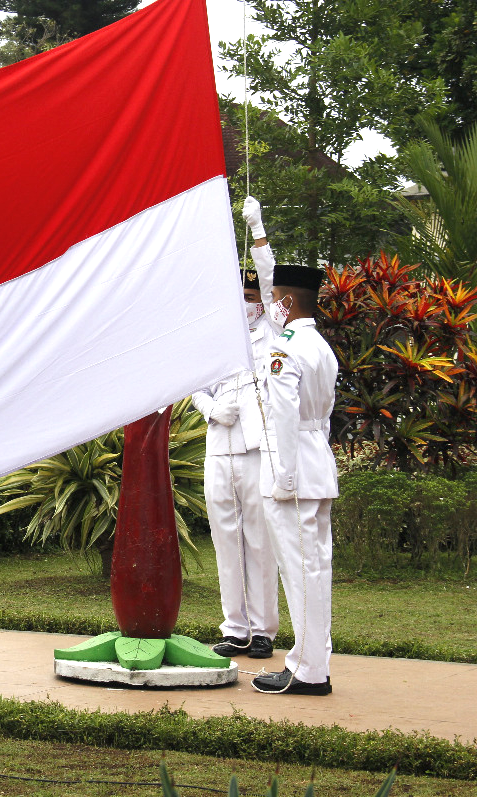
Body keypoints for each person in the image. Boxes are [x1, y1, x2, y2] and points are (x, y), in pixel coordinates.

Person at [192, 196, 282, 660]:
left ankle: (264, 628)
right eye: (241, 299)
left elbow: (270, 283)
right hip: (218, 447)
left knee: (259, 538)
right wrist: (209, 409)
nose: (247, 305)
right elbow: (193, 384)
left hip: (255, 449)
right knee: (225, 538)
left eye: (251, 300)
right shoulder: (216, 338)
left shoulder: (273, 331)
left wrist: (258, 230)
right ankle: (235, 627)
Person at [252, 264, 339, 695]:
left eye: (274, 300)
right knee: (316, 570)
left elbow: (284, 418)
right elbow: (322, 420)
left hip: (294, 473)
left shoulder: (285, 348)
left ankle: (307, 671)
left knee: (301, 571)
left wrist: (284, 477)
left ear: (286, 303)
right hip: (316, 464)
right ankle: (315, 659)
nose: (271, 308)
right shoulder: (320, 346)